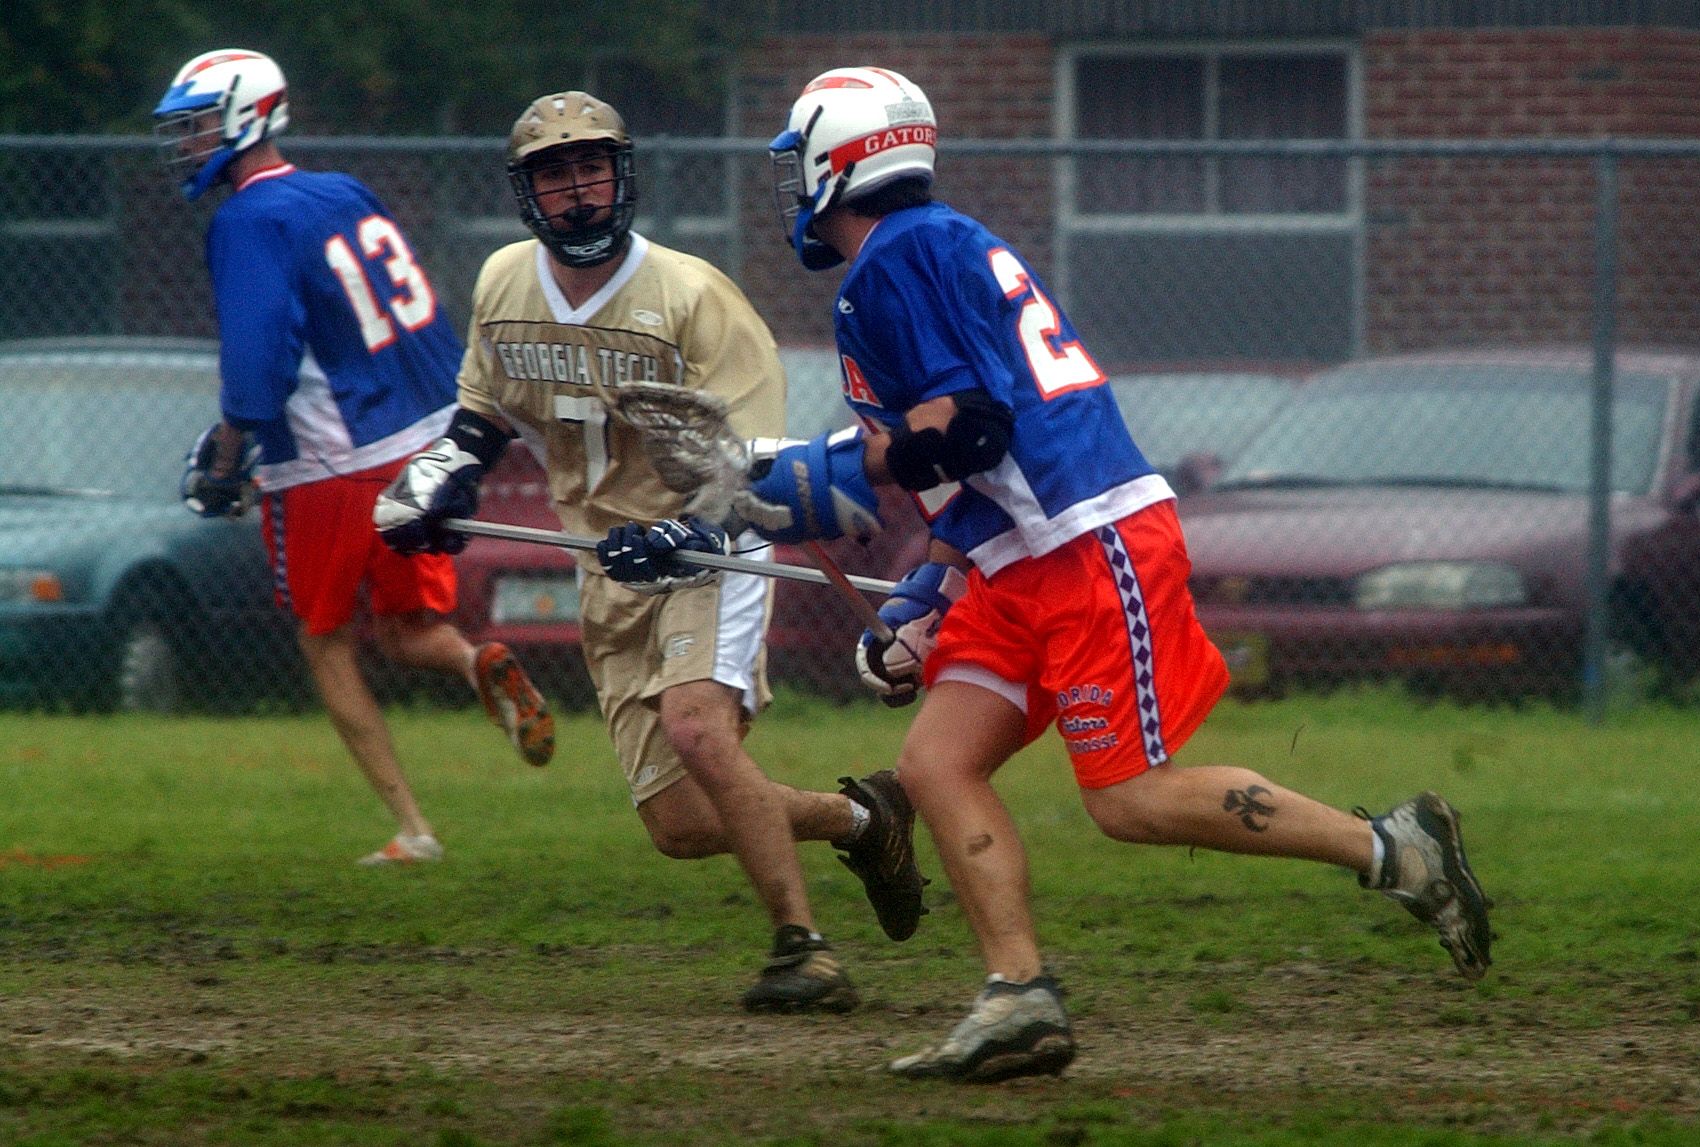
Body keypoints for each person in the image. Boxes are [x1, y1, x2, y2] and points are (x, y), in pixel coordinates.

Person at [623, 66, 1494, 1082]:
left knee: (1126, 799)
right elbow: (971, 471)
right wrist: (922, 594)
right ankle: (1017, 995)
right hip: (1018, 557)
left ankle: (1390, 846)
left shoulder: (895, 260)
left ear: (837, 161)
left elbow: (964, 432)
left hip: (1086, 541)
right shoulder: (928, 248)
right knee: (935, 765)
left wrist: (789, 477)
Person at [371, 90, 927, 1013]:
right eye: (556, 174)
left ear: (622, 175)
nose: (579, 191)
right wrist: (440, 479)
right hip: (606, 566)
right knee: (679, 824)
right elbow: (481, 413)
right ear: (526, 192)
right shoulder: (504, 282)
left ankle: (804, 949)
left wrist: (686, 533)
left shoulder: (692, 296)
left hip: (712, 552)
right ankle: (863, 818)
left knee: (698, 730)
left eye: (592, 168)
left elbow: (756, 471)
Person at [154, 48, 556, 866]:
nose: (188, 143)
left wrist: (228, 456)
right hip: (423, 440)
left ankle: (414, 828)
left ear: (247, 118)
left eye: (198, 126)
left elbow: (257, 367)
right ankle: (479, 661)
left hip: (329, 458)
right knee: (407, 629)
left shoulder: (245, 219)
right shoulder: (342, 190)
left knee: (324, 638)